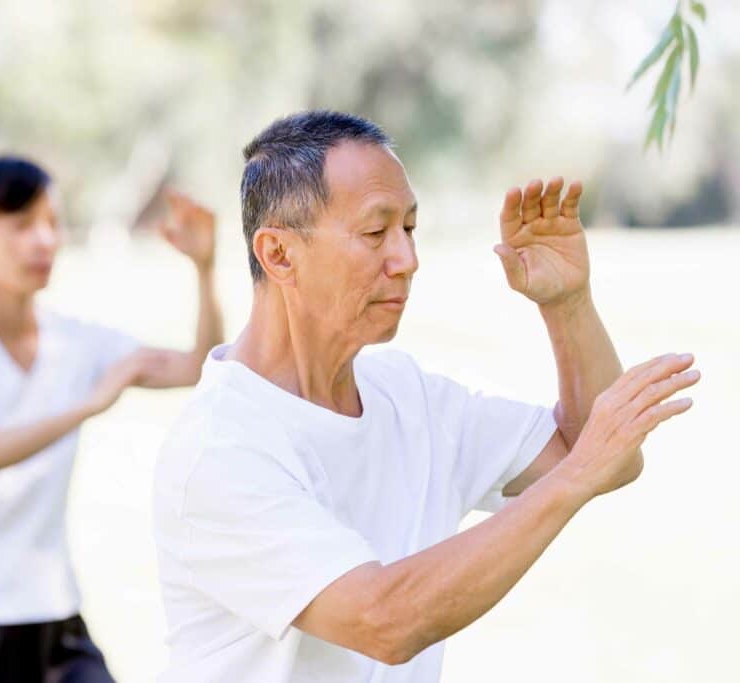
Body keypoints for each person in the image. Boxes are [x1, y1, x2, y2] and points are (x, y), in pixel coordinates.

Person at [152, 111, 700, 682]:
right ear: (279, 255)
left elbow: (596, 455)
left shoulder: (408, 395)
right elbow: (384, 621)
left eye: (409, 230)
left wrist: (567, 304)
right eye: (374, 233)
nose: (407, 261)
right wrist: (579, 471)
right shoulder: (219, 448)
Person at [0, 156, 223, 682]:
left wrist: (205, 269)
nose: (44, 240)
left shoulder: (77, 340)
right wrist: (88, 406)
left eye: (52, 223)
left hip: (52, 616)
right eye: (22, 224)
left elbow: (199, 366)